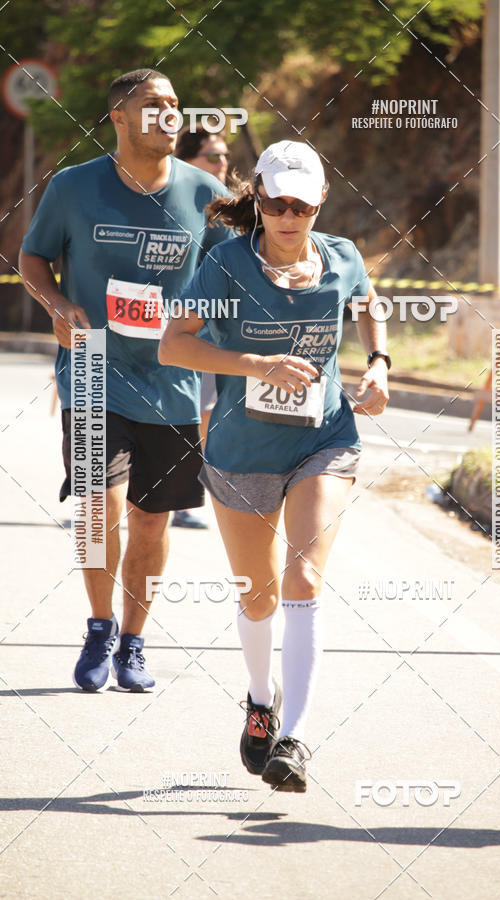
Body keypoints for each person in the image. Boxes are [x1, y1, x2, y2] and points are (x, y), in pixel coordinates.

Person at [159, 140, 390, 791]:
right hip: (241, 450)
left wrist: (378, 365)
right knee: (256, 593)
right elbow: (175, 346)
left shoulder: (341, 256)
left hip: (325, 440)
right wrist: (255, 365)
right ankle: (262, 702)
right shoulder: (227, 264)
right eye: (277, 203)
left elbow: (369, 305)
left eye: (302, 205)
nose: (289, 216)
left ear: (320, 205)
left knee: (304, 578)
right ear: (258, 200)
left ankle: (297, 739)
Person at [19, 68, 231, 692]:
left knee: (150, 520)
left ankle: (134, 640)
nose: (169, 115)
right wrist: (59, 307)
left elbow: (234, 270)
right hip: (91, 370)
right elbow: (32, 258)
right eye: (152, 105)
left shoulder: (203, 192)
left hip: (172, 384)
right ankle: (98, 625)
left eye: (175, 104)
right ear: (118, 116)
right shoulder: (73, 187)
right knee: (97, 507)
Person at [171, 128, 230, 529]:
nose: (221, 163)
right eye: (212, 156)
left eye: (224, 155)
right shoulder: (172, 201)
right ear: (188, 160)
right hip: (166, 329)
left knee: (203, 415)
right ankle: (162, 492)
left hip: (209, 333)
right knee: (172, 411)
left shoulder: (225, 208)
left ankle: (182, 497)